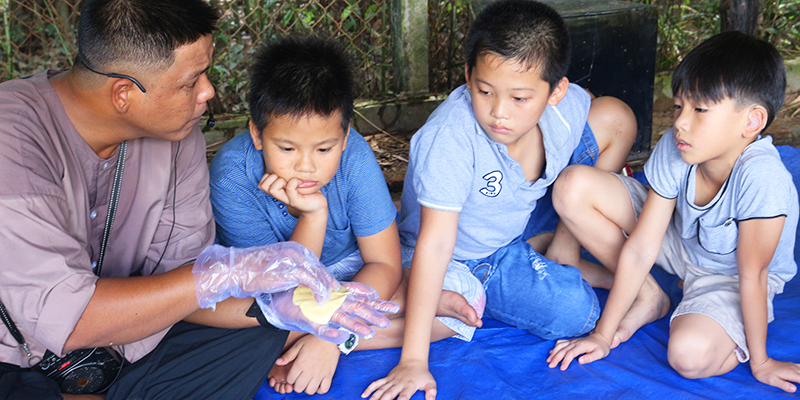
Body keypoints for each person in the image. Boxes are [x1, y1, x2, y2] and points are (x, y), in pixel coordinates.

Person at [0, 1, 393, 399]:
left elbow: (186, 284)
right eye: (191, 81)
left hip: (139, 341)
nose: (209, 91)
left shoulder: (178, 135)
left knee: (260, 332)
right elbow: (74, 317)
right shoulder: (11, 138)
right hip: (15, 355)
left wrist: (274, 309)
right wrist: (227, 275)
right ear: (123, 94)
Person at [362, 1, 638, 399]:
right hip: (469, 253)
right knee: (578, 313)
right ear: (468, 77)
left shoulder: (566, 106)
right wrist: (414, 361)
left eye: (520, 99)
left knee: (615, 116)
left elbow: (599, 110)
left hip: (521, 211)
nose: (498, 113)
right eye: (484, 90)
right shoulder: (450, 139)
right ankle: (473, 284)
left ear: (555, 91)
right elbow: (437, 243)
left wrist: (568, 237)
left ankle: (561, 246)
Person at [209, 36, 472, 396]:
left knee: (466, 293)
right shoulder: (232, 177)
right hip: (280, 289)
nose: (305, 166)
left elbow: (383, 263)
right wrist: (313, 217)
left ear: (345, 136)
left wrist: (331, 340)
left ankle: (323, 345)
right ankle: (403, 317)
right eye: (286, 148)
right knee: (234, 330)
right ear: (257, 133)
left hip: (352, 270)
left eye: (324, 148)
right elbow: (279, 290)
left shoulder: (355, 158)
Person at [547, 31, 800, 393]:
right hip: (680, 240)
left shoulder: (762, 177)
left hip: (729, 276)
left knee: (689, 357)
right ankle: (652, 297)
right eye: (680, 106)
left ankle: (716, 325)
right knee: (572, 186)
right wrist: (602, 335)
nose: (680, 121)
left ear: (751, 122)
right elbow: (641, 246)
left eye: (700, 110)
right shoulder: (678, 146)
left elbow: (753, 275)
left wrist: (761, 362)